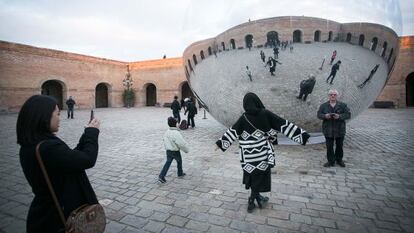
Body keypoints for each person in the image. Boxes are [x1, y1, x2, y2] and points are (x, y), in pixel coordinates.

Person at [16, 95, 101, 232]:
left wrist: (86, 134)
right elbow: (87, 159)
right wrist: (92, 133)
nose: (59, 118)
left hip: (44, 212)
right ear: (44, 117)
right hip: (58, 218)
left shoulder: (32, 145)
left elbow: (70, 159)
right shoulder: (49, 147)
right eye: (57, 114)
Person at [215, 93, 310, 213]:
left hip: (248, 156)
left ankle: (258, 198)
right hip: (262, 154)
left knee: (254, 176)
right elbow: (282, 124)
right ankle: (251, 201)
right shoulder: (264, 113)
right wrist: (301, 135)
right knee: (259, 177)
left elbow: (233, 131)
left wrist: (219, 144)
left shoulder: (244, 117)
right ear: (257, 101)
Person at [317, 89, 351, 167]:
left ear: (336, 96)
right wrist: (325, 116)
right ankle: (331, 161)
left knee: (339, 145)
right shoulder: (323, 106)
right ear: (329, 96)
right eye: (331, 94)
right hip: (328, 130)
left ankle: (339, 160)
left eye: (334, 94)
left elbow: (348, 115)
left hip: (340, 129)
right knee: (329, 146)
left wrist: (339, 116)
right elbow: (319, 114)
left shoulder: (343, 105)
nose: (333, 96)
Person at [158, 117, 189, 183]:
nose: (178, 124)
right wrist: (186, 150)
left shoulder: (167, 132)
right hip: (175, 151)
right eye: (177, 123)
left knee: (168, 162)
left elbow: (164, 140)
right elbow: (181, 143)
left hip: (168, 150)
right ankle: (180, 173)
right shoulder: (176, 133)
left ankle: (161, 176)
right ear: (175, 124)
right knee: (179, 161)